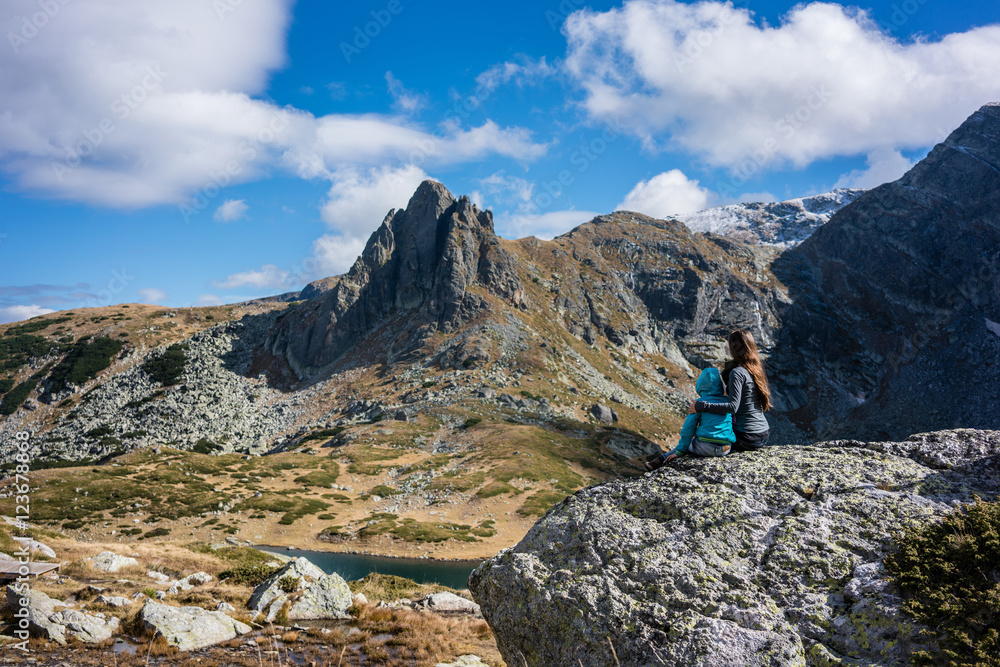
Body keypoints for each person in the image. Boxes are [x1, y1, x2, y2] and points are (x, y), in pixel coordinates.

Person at [690, 329, 771, 451]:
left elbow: (733, 407)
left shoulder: (737, 373)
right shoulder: (755, 369)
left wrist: (701, 406)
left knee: (703, 439)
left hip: (746, 436)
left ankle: (664, 459)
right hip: (763, 433)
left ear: (733, 348)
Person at [646, 367, 734, 471]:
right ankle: (659, 460)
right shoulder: (727, 402)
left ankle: (661, 460)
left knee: (689, 444)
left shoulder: (698, 404)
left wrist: (679, 452)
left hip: (705, 448)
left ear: (701, 385)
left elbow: (688, 429)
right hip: (726, 448)